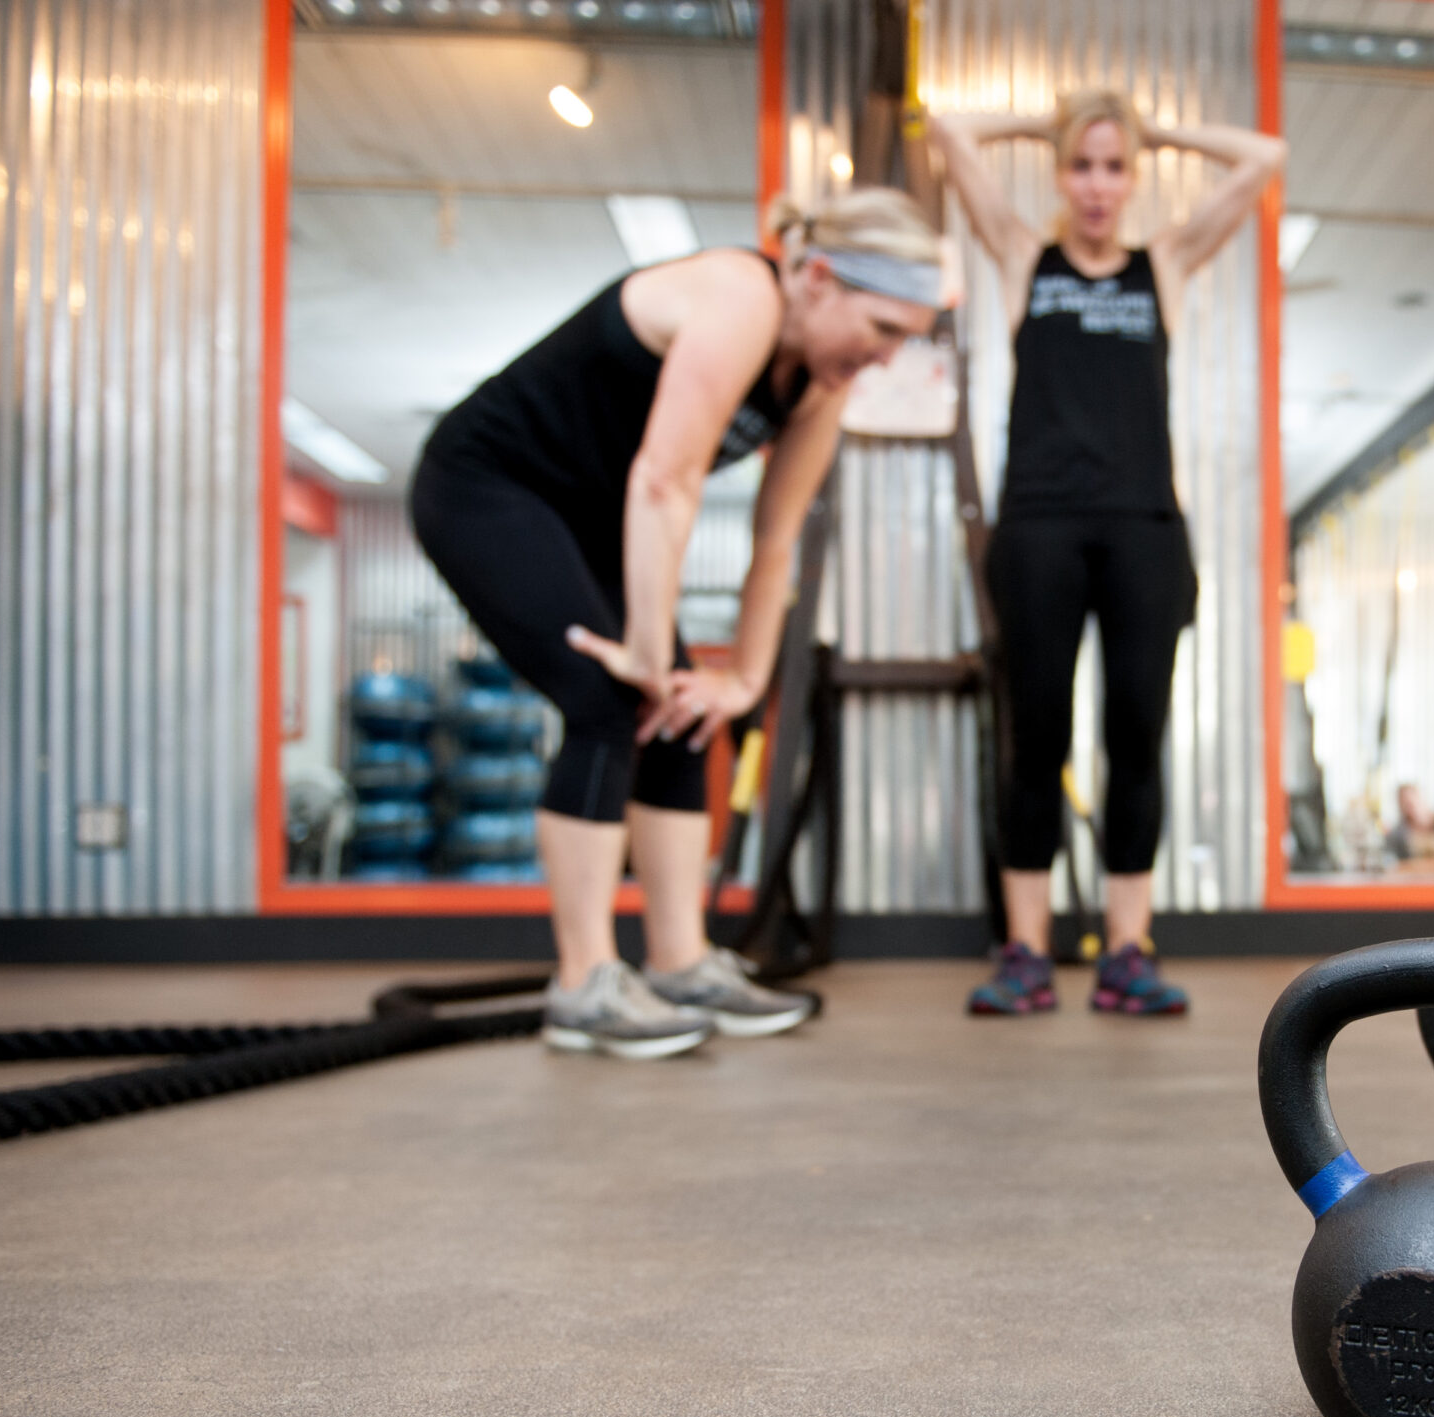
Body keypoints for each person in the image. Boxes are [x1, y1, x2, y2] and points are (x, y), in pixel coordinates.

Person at [411, 190, 943, 1058]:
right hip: (489, 486)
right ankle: (583, 983)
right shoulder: (741, 296)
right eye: (881, 328)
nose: (884, 357)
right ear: (817, 278)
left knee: (684, 714)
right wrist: (650, 654)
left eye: (904, 339)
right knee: (609, 699)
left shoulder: (820, 384)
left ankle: (679, 961)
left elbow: (777, 543)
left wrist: (740, 681)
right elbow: (665, 479)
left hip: (588, 513)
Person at [929, 92, 1285, 1017]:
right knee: (1036, 738)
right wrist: (1051, 120)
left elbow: (1262, 155)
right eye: (1081, 165)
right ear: (1058, 173)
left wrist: (1154, 129)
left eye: (1115, 166)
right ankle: (1025, 954)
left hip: (1143, 530)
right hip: (1039, 526)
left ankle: (1128, 953)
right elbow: (949, 133)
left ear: (1134, 177)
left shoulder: (1161, 263)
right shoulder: (1024, 256)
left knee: (1136, 738)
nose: (1097, 185)